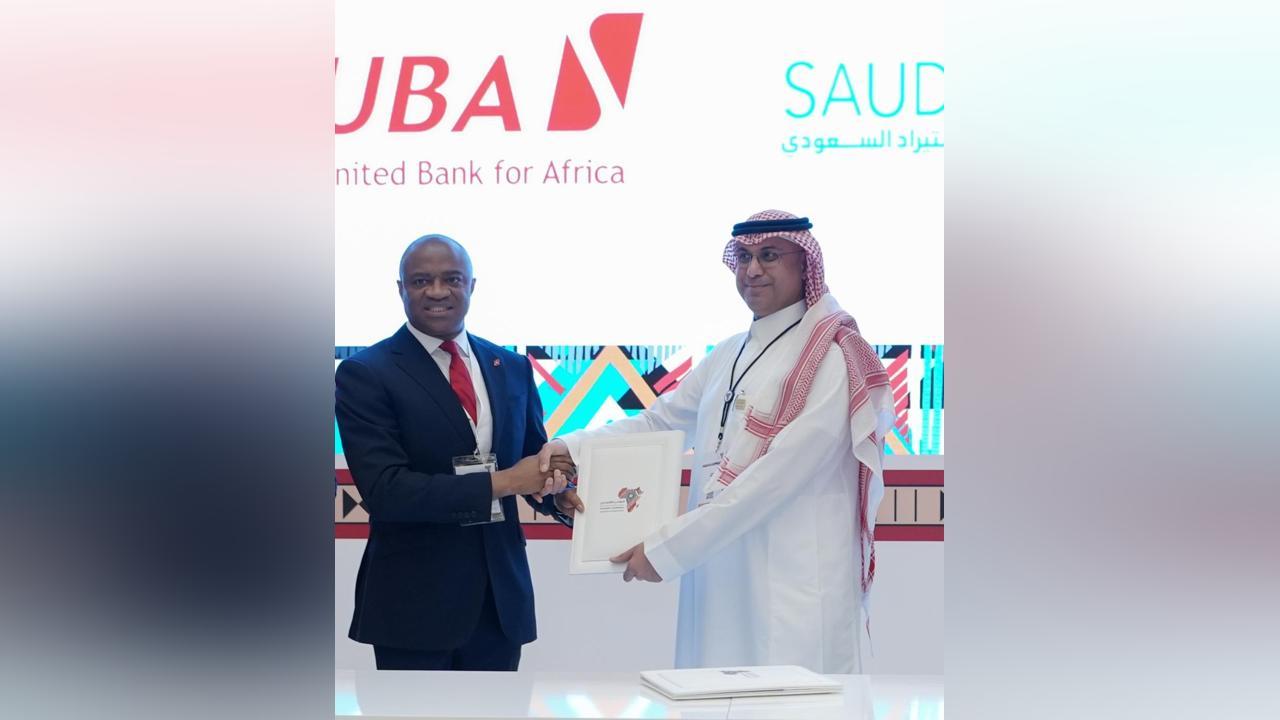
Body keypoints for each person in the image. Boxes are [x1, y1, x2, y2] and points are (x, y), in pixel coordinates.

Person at [538, 210, 892, 673]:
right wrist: (572, 447)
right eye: (743, 257)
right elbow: (661, 422)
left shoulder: (832, 357)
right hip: (718, 570)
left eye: (769, 255)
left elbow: (773, 480)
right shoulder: (729, 352)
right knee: (710, 690)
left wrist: (668, 549)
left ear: (806, 264)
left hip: (792, 581)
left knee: (789, 698)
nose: (752, 270)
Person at [336, 234, 583, 671]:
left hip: (500, 601)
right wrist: (507, 481)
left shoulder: (511, 367)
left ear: (471, 285)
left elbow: (532, 460)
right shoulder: (366, 373)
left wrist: (555, 493)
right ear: (401, 289)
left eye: (451, 279)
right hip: (413, 606)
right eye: (421, 281)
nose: (437, 291)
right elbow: (387, 491)